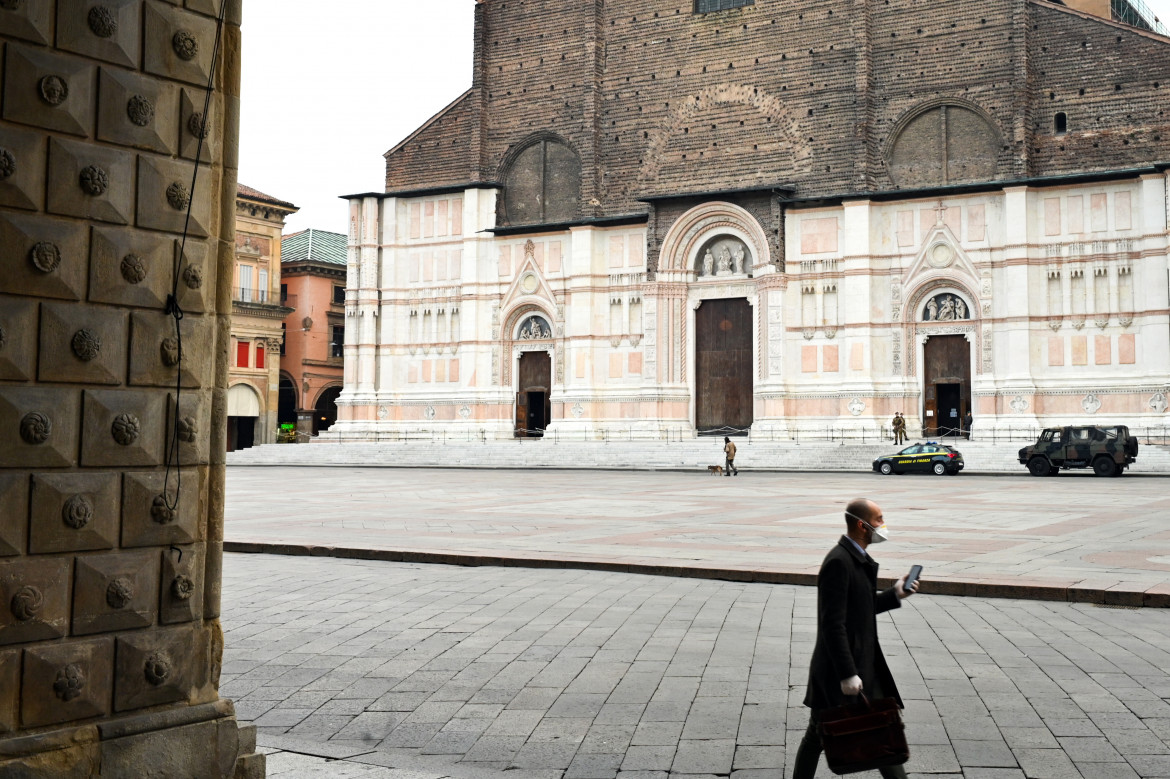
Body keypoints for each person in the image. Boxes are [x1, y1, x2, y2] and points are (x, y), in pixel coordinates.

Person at [793, 498, 919, 779]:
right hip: (842, 669)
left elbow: (859, 608)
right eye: (879, 520)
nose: (883, 525)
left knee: (875, 728)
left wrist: (895, 594)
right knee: (870, 731)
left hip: (860, 663)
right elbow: (832, 623)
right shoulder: (839, 562)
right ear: (862, 526)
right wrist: (847, 673)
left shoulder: (855, 558)